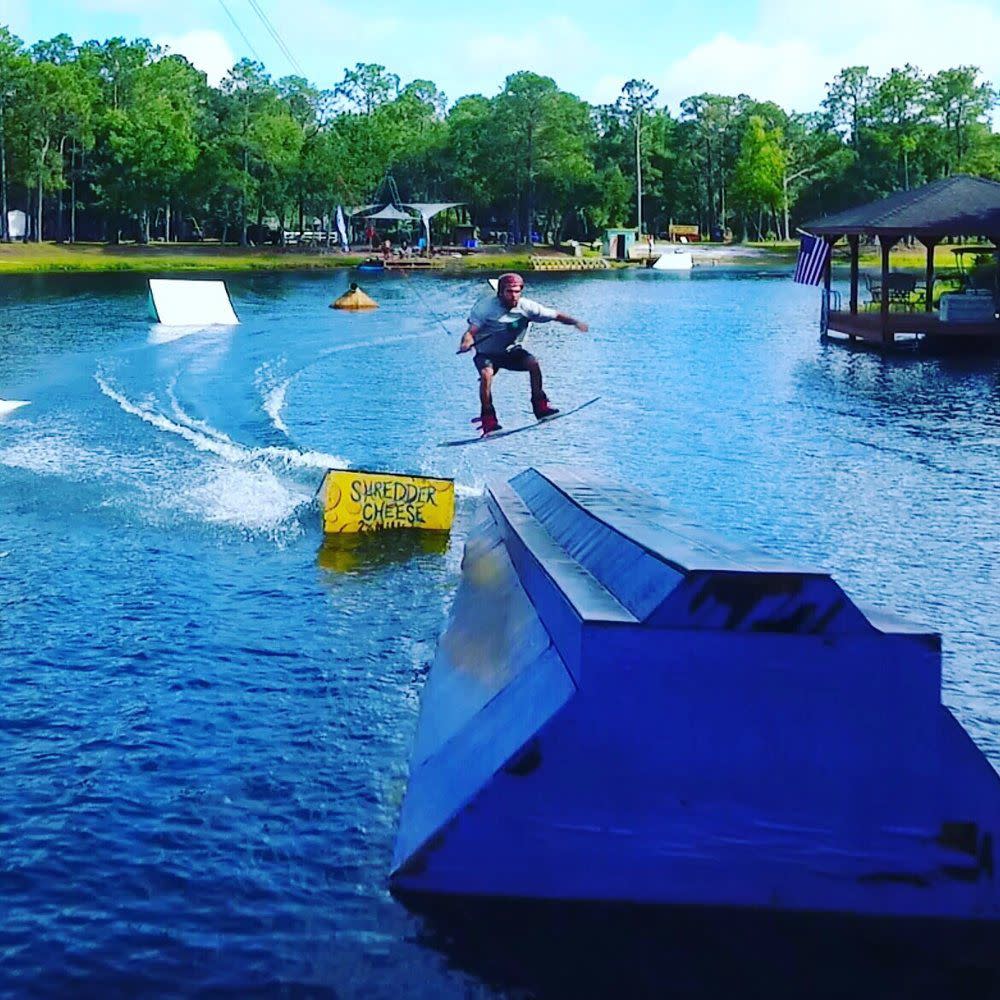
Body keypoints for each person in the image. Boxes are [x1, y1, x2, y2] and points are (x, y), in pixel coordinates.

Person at [457, 272, 588, 434]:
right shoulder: (485, 308)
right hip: (486, 353)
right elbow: (470, 332)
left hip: (511, 351)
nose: (513, 296)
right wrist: (466, 342)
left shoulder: (528, 307)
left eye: (517, 291)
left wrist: (576, 322)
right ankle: (488, 420)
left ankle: (541, 408)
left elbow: (556, 315)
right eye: (509, 292)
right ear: (500, 292)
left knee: (534, 363)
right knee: (486, 375)